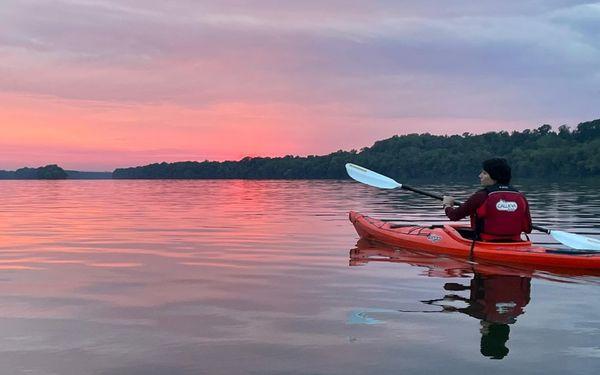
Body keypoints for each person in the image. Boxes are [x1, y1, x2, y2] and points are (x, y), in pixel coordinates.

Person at [442, 158, 532, 242]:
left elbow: (453, 215)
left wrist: (447, 204)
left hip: (486, 242)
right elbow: (528, 228)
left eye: (484, 173)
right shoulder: (521, 197)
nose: (480, 176)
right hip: (516, 242)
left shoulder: (481, 196)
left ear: (494, 176)